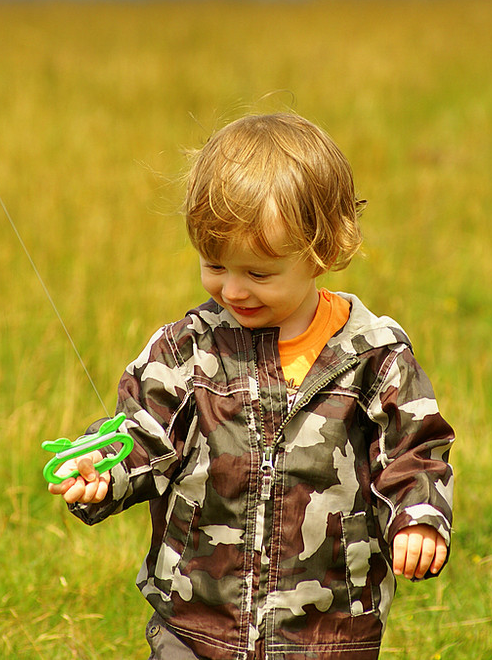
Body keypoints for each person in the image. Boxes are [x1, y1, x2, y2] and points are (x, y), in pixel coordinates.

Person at [48, 112, 454, 660]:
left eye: (259, 274)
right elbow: (143, 434)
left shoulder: (372, 357)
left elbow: (414, 448)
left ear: (323, 250)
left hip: (328, 632)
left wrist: (419, 519)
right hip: (195, 621)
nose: (232, 289)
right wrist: (102, 471)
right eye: (214, 265)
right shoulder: (187, 350)